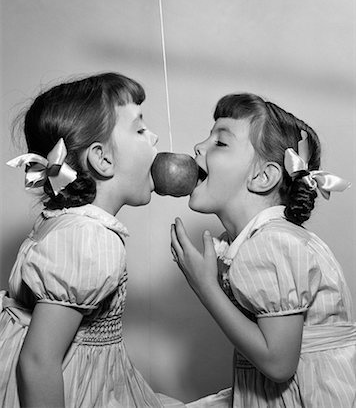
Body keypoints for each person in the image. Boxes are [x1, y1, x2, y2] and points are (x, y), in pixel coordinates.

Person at [1, 72, 184, 408]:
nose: (155, 136)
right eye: (140, 129)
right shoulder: (90, 239)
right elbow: (39, 362)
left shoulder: (65, 222)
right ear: (102, 158)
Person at [170, 93, 356, 407]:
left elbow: (278, 364)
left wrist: (205, 287)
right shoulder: (269, 239)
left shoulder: (270, 245)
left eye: (221, 142)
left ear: (262, 177)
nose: (198, 147)